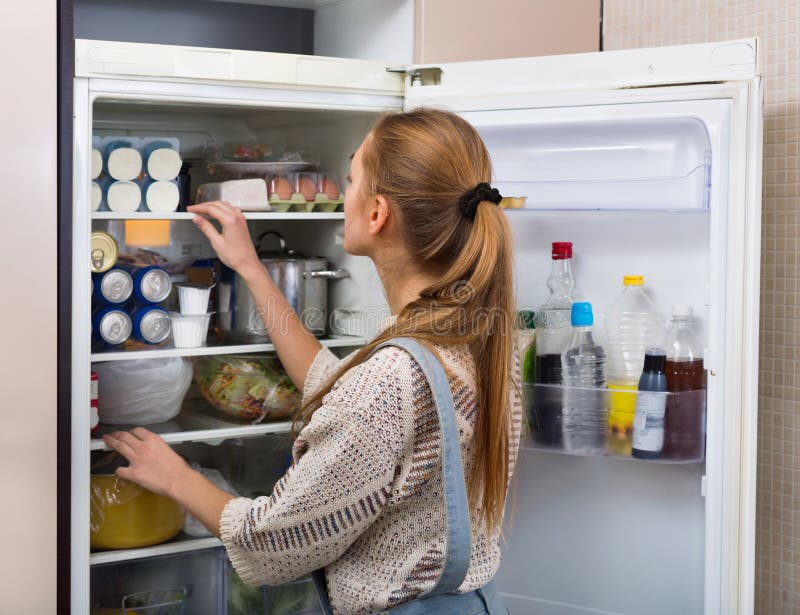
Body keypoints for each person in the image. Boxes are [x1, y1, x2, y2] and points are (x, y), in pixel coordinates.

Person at [103, 108, 522, 615]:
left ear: (377, 214)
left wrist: (174, 475)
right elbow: (338, 388)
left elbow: (272, 547)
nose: (344, 195)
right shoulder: (477, 341)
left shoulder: (391, 380)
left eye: (351, 181)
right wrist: (251, 270)